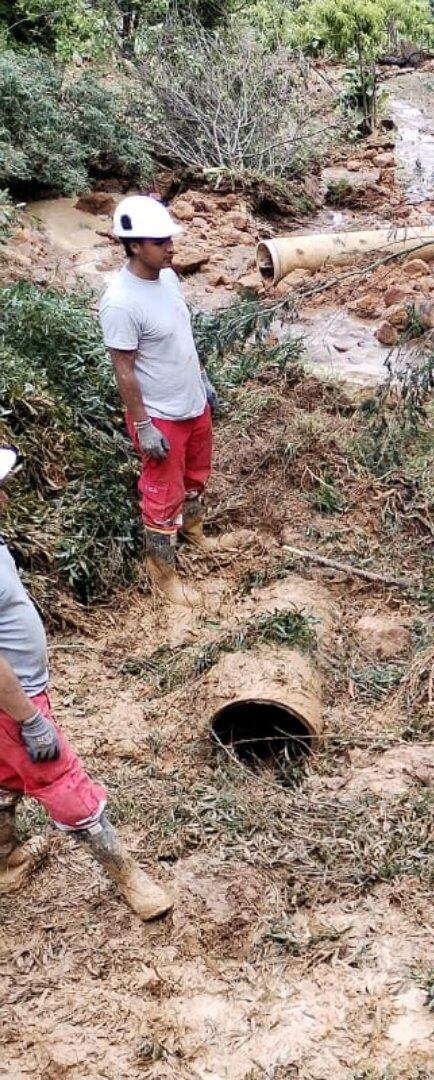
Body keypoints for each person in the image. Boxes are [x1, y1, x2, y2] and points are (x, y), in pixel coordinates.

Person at [0, 448, 174, 920]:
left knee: (2, 775)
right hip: (11, 702)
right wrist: (30, 719)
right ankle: (130, 879)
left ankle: (7, 860)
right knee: (60, 779)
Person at [99, 194, 219, 608]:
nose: (171, 247)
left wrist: (202, 382)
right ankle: (162, 575)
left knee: (196, 474)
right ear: (134, 246)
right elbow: (124, 369)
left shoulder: (167, 278)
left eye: (170, 238)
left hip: (191, 403)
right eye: (160, 241)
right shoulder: (120, 301)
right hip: (161, 415)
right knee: (161, 496)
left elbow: (181, 336)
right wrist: (144, 425)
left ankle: (194, 531)